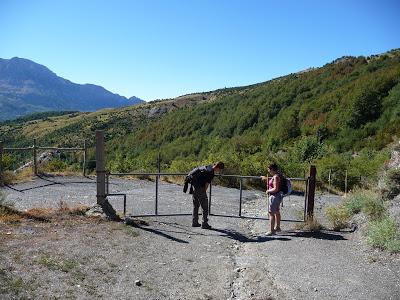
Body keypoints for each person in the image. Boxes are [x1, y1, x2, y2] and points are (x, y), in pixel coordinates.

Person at [189, 161, 224, 229]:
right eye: (220, 170)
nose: (219, 171)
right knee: (205, 207)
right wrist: (203, 193)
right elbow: (206, 185)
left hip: (194, 186)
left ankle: (194, 222)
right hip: (200, 188)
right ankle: (204, 223)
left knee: (195, 205)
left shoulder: (209, 166)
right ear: (218, 168)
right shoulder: (211, 173)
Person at [260, 163, 283, 235]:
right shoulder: (278, 175)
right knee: (276, 212)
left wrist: (268, 191)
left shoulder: (275, 177)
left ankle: (271, 230)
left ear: (272, 169)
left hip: (274, 196)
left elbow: (275, 188)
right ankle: (278, 227)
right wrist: (266, 178)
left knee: (271, 213)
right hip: (277, 196)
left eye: (269, 170)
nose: (268, 171)